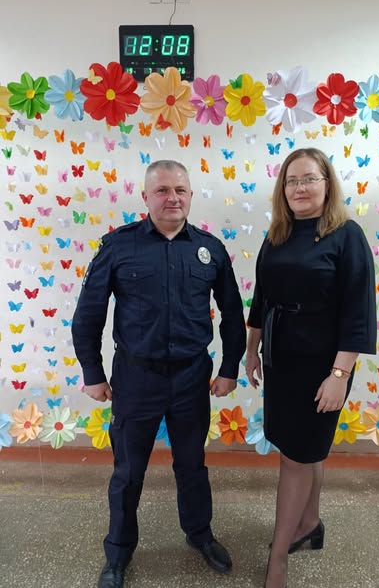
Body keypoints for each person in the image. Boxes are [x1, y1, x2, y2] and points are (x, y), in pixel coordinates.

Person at [72, 159, 246, 588]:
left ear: (190, 195)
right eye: (163, 190)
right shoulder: (118, 247)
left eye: (180, 190)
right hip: (136, 379)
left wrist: (229, 368)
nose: (172, 198)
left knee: (192, 464)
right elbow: (88, 314)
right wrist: (93, 373)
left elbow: (232, 314)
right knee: (128, 472)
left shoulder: (210, 249)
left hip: (191, 378)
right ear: (145, 196)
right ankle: (118, 553)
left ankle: (199, 534)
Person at [245, 148, 376, 588]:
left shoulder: (346, 235)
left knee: (296, 458)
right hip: (280, 359)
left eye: (309, 179)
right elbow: (262, 298)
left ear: (327, 183)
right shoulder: (277, 235)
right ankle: (309, 524)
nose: (299, 188)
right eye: (292, 180)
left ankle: (278, 557)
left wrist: (339, 376)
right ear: (282, 189)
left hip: (323, 366)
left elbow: (359, 311)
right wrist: (251, 350)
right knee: (305, 449)